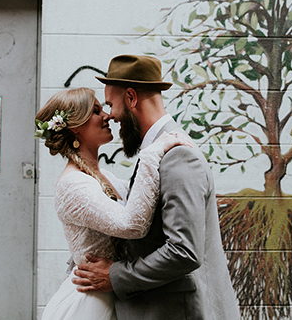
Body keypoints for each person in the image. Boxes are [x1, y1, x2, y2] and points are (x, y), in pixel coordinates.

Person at [72, 54, 240, 320]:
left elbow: (184, 251)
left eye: (111, 104)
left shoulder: (177, 156)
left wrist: (115, 275)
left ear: (131, 97)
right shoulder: (158, 151)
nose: (112, 116)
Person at [36, 87, 191, 320]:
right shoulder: (73, 184)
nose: (108, 116)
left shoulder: (105, 177)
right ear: (76, 127)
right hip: (92, 304)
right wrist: (151, 154)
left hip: (116, 296)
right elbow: (132, 225)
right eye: (97, 111)